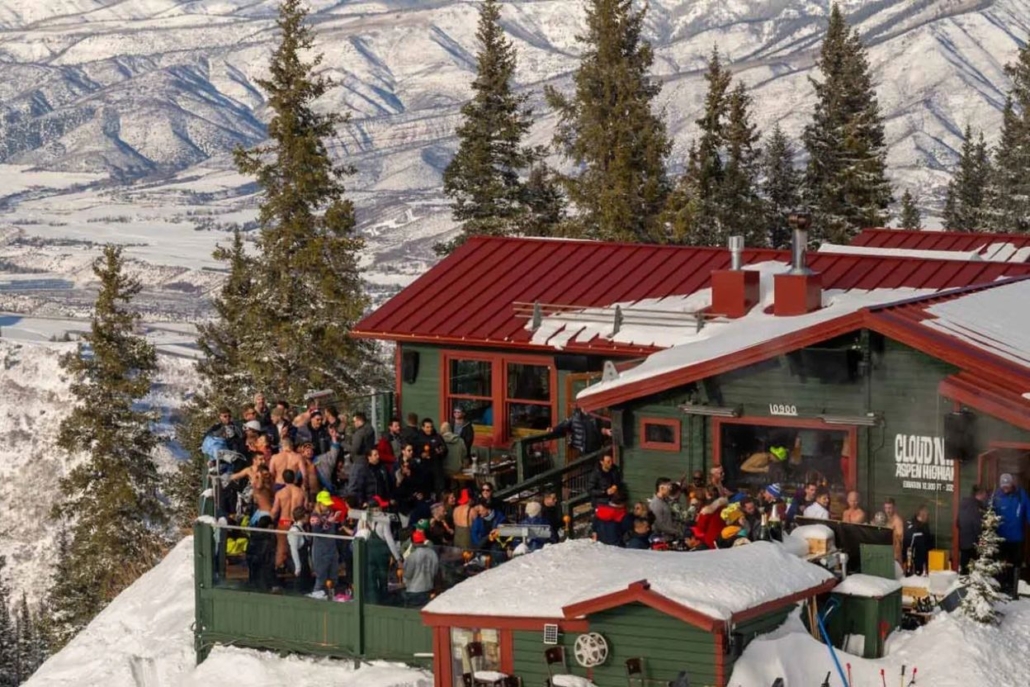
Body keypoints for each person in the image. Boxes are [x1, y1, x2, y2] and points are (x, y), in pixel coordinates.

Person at [992, 473, 1030, 596]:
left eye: (1007, 485)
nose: (1005, 488)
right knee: (1001, 564)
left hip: (1017, 538)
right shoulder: (996, 496)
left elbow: (1028, 511)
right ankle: (1001, 586)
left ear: (1012, 484)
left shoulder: (1021, 495)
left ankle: (1014, 588)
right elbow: (988, 513)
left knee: (1015, 564)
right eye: (1003, 485)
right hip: (1000, 537)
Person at [270, 469, 308, 569]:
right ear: (294, 478)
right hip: (296, 523)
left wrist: (269, 521)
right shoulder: (301, 492)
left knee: (281, 549)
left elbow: (274, 511)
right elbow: (306, 508)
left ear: (283, 479)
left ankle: (278, 569)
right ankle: (298, 570)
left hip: (283, 522)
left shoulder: (280, 493)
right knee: (297, 549)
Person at [308, 491, 343, 599]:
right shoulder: (314, 517)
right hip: (321, 551)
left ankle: (331, 597)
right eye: (325, 504)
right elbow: (317, 532)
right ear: (319, 504)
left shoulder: (330, 513)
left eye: (328, 504)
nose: (327, 506)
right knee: (321, 578)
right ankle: (316, 597)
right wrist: (329, 522)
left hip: (332, 549)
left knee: (334, 577)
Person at [403, 530, 439, 607]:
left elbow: (408, 575)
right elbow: (435, 572)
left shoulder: (412, 556)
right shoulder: (432, 553)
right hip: (428, 589)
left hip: (414, 590)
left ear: (413, 543)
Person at [957, 484, 988, 574]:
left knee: (964, 569)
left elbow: (958, 522)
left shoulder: (964, 503)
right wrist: (982, 540)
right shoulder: (977, 507)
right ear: (980, 493)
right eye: (985, 493)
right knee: (974, 572)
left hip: (964, 542)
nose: (986, 495)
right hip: (974, 544)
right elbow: (978, 525)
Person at [416, 418, 448, 497]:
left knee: (439, 489)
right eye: (427, 427)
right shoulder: (418, 437)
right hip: (423, 467)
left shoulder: (437, 437)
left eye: (431, 427)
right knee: (425, 489)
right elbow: (413, 451)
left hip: (436, 466)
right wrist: (421, 455)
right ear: (423, 427)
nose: (429, 429)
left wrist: (441, 451)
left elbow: (445, 449)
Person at [903, 505, 934, 575]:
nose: (928, 517)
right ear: (922, 514)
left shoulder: (925, 526)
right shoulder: (913, 529)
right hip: (915, 563)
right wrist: (908, 565)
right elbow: (908, 547)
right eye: (927, 514)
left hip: (925, 561)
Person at [883, 497, 906, 563]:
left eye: (889, 508)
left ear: (894, 508)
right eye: (886, 508)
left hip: (895, 554)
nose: (887, 510)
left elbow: (900, 539)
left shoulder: (897, 521)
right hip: (886, 552)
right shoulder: (884, 519)